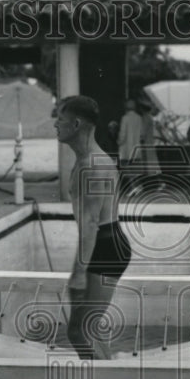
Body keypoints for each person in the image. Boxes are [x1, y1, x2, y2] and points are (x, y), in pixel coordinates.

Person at [54, 96, 131, 360]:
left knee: (80, 331)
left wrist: (78, 274)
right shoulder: (88, 160)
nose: (55, 124)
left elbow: (90, 225)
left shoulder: (91, 165)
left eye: (60, 119)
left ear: (76, 124)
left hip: (105, 247)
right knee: (89, 330)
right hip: (106, 244)